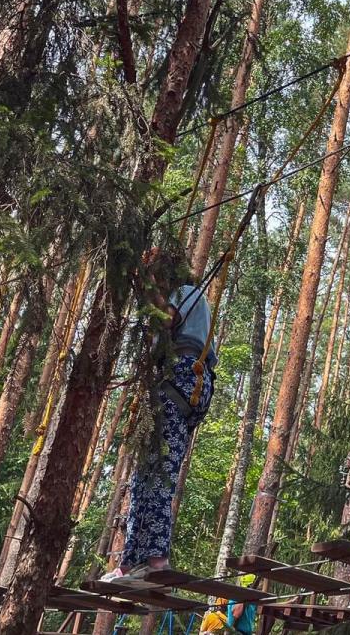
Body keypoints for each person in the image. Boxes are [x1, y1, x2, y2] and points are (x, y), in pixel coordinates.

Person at [100, 248, 217, 585]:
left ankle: (155, 559)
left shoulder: (188, 293)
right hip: (180, 386)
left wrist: (148, 281)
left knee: (159, 471)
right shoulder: (185, 301)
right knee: (143, 476)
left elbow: (165, 319)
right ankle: (132, 560)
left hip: (181, 381)